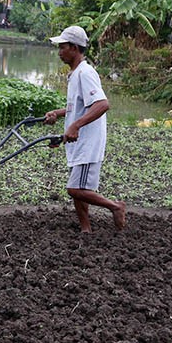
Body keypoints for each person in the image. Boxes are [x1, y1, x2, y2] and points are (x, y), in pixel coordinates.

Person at [44, 26, 126, 233]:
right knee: (79, 188)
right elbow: (77, 106)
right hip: (77, 143)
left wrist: (75, 125)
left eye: (62, 47)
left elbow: (102, 104)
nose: (59, 52)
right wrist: (59, 113)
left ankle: (115, 206)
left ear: (74, 48)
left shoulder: (86, 73)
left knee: (75, 189)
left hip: (87, 143)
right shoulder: (75, 74)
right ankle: (85, 229)